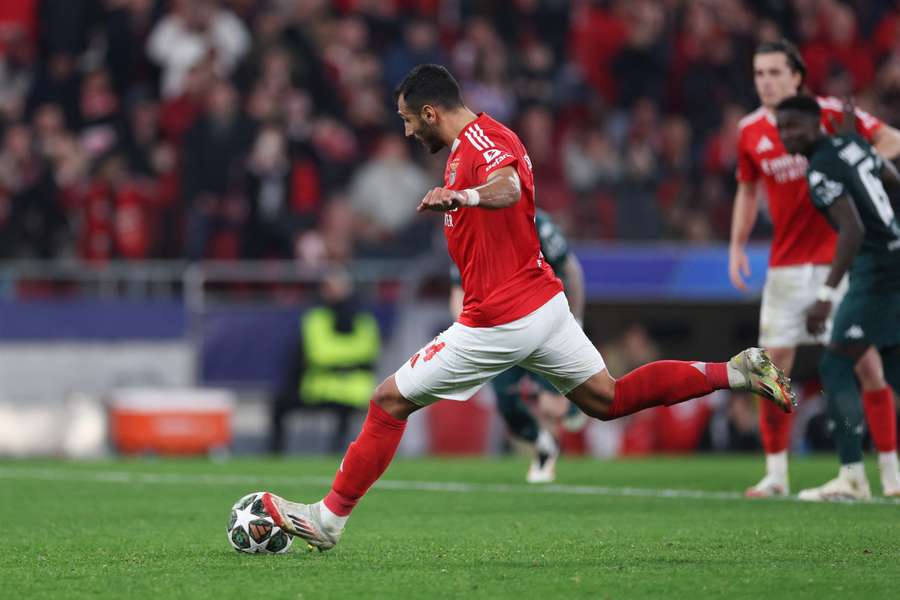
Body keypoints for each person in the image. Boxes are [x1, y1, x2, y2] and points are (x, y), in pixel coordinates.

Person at [261, 64, 795, 552]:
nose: (406, 132)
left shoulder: (483, 143)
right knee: (607, 398)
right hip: (543, 307)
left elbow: (508, 187)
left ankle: (328, 520)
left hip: (501, 319)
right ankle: (735, 371)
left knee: (388, 403)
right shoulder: (473, 145)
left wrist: (465, 197)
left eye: (407, 120)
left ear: (430, 113)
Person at [728, 39, 900, 497]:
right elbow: (748, 189)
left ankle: (890, 471)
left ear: (797, 76)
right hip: (785, 265)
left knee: (865, 366)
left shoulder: (826, 114)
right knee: (771, 368)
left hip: (837, 261)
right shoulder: (749, 131)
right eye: (758, 73)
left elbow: (891, 139)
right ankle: (777, 475)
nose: (765, 81)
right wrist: (737, 245)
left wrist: (859, 157)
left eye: (774, 72)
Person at [775, 95, 900, 500]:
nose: (786, 135)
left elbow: (852, 231)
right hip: (894, 256)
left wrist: (826, 295)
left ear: (817, 125)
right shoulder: (853, 144)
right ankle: (886, 475)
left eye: (794, 126)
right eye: (781, 128)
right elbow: (892, 178)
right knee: (893, 364)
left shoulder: (820, 169)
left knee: (834, 364)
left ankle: (852, 477)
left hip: (876, 270)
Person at [449, 208, 587, 483]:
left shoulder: (539, 225)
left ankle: (545, 464)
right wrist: (465, 331)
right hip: (501, 331)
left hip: (545, 325)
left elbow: (571, 271)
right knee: (508, 405)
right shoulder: (468, 233)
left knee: (550, 406)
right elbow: (458, 291)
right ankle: (543, 441)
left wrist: (578, 319)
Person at [269, 269, 381, 454]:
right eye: (329, 287)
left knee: (345, 411)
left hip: (351, 391)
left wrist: (336, 359)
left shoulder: (363, 321)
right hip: (322, 388)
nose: (333, 292)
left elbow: (365, 353)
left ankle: (339, 456)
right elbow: (321, 354)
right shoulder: (317, 318)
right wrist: (349, 360)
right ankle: (274, 454)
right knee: (279, 402)